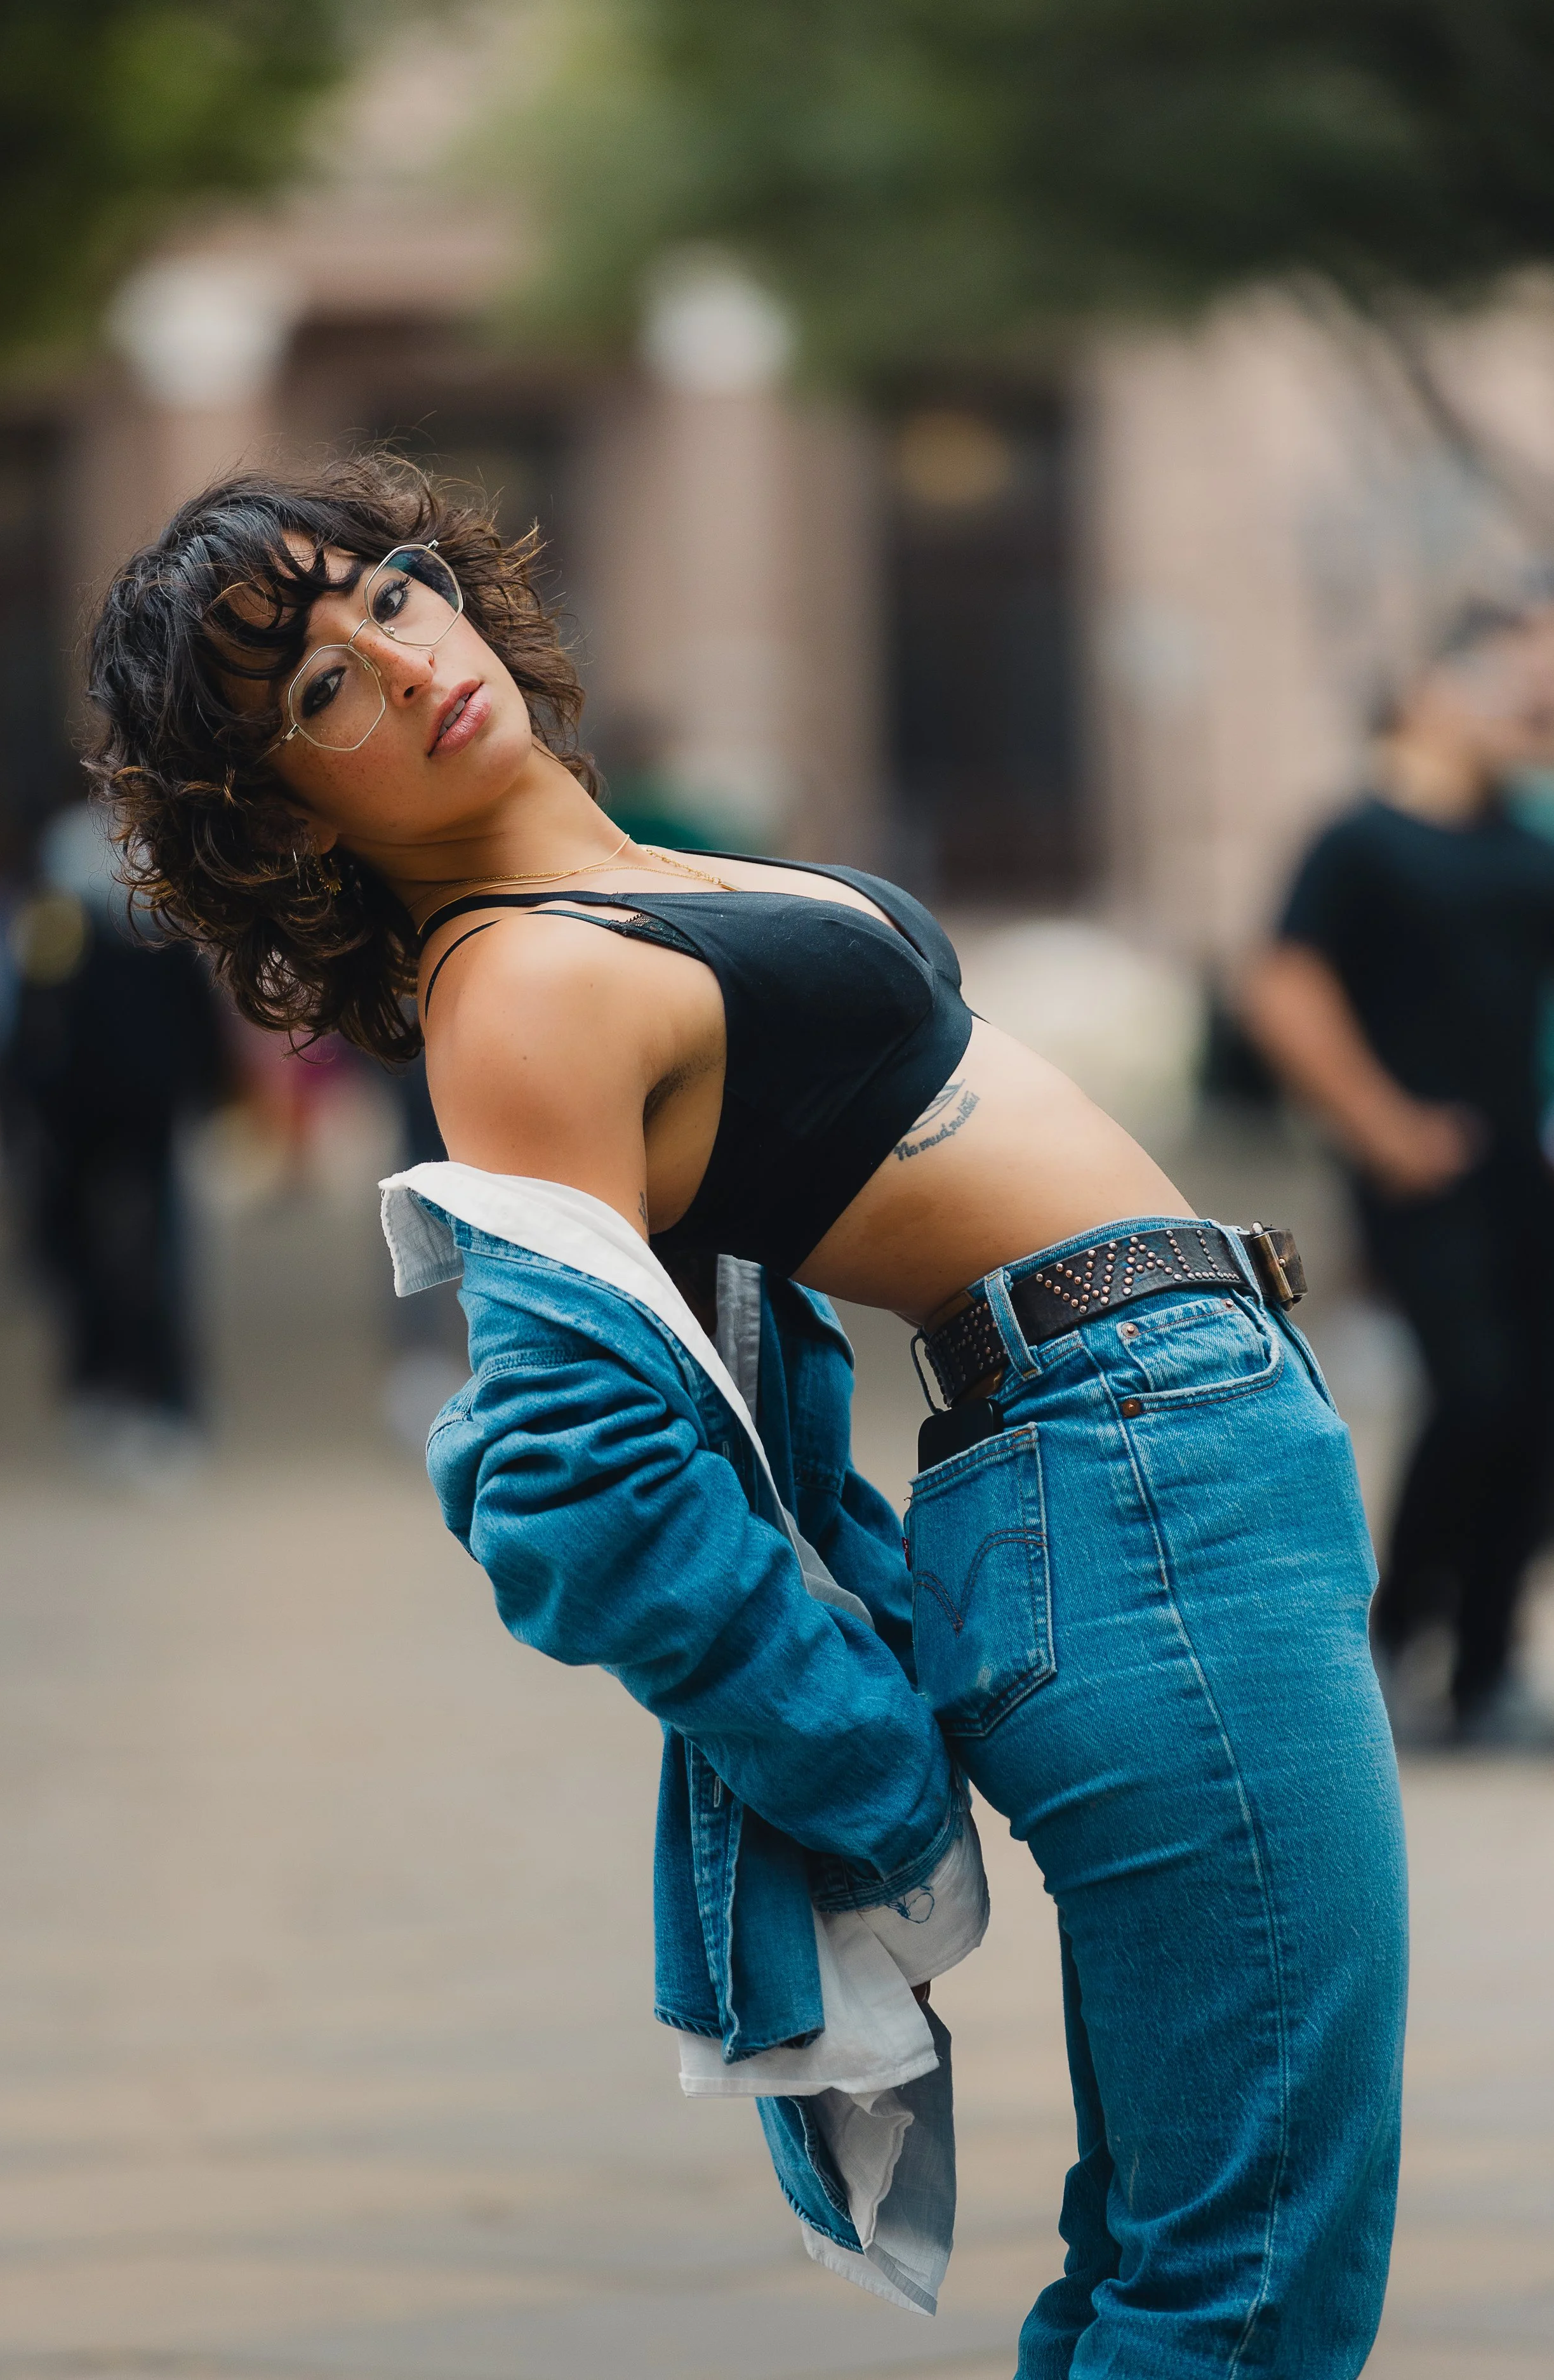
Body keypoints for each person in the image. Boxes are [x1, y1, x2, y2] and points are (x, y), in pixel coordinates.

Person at [84, 454, 1405, 2374]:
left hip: (1155, 1460)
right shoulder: (518, 985)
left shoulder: (594, 885)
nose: (393, 654)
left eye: (380, 590)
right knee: (1249, 2276)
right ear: (281, 811)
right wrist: (871, 1792)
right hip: (1132, 1482)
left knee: (1184, 2252)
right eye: (311, 694)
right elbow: (568, 1479)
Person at [1243, 603, 1554, 1748]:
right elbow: (1281, 987)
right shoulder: (1359, 838)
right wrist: (1383, 1126)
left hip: (1526, 1166)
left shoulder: (1525, 839)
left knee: (1536, 1411)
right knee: (1472, 1392)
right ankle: (1384, 1648)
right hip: (1421, 1172)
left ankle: (1482, 1672)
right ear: (1429, 686)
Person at [0, 800, 230, 1472]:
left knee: (154, 1252)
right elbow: (32, 1011)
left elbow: (192, 1013)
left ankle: (158, 1396)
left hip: (135, 1106)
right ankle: (115, 1387)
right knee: (98, 1248)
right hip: (86, 1109)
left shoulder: (156, 876)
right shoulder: (66, 884)